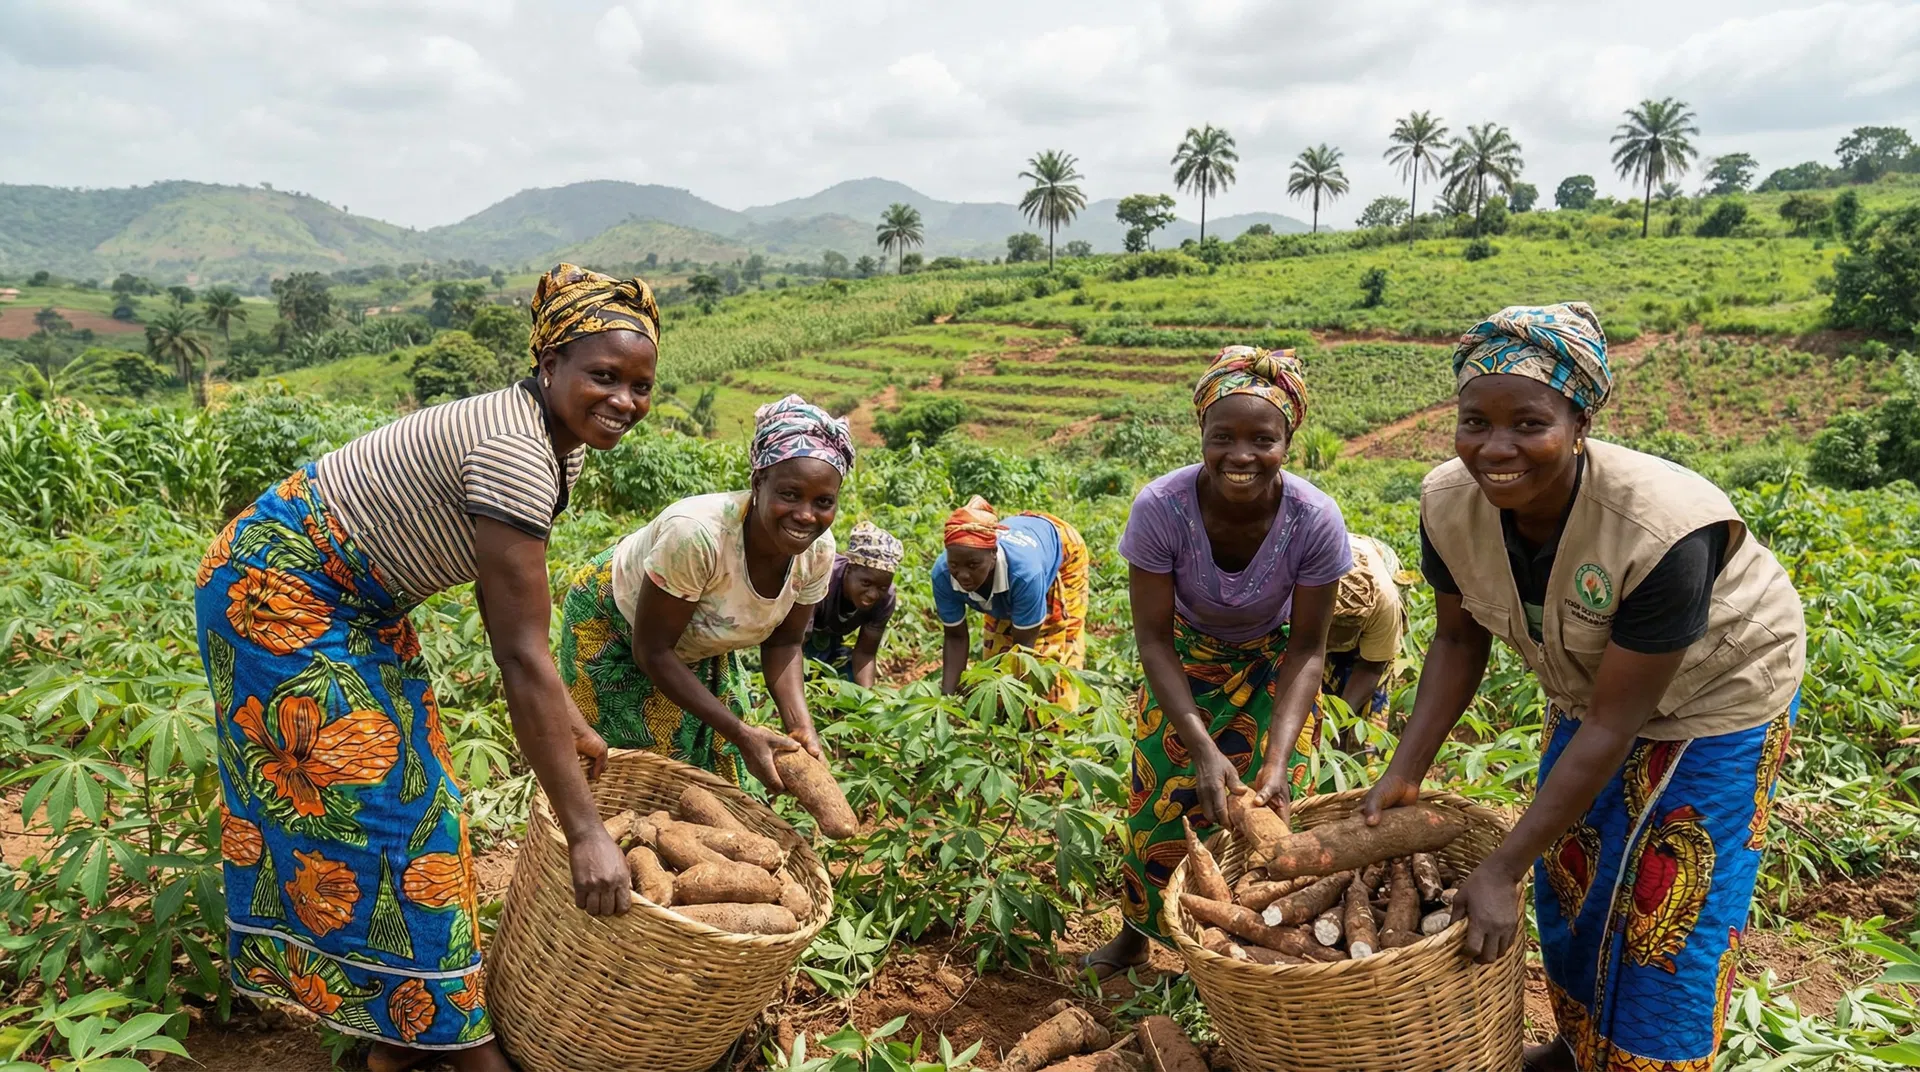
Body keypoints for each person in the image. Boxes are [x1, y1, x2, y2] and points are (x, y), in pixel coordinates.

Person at [196, 264, 659, 1071]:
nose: (624, 400)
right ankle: (461, 1047)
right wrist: (585, 831)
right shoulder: (516, 447)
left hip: (360, 606)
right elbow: (518, 656)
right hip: (279, 590)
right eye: (604, 376)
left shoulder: (560, 444)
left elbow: (510, 618)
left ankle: (400, 1040)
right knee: (398, 818)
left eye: (642, 385)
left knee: (424, 795)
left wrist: (566, 715)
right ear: (550, 365)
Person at [1360, 303, 1805, 1072]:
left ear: (1581, 421)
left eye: (1529, 424)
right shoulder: (1447, 503)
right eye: (1474, 422)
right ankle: (1577, 1050)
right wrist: (1404, 773)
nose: (1496, 449)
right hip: (1589, 690)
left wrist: (1500, 865)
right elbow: (1459, 641)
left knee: (1670, 913)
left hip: (1718, 694)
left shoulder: (1663, 529)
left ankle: (1647, 1062)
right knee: (1573, 879)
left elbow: (1613, 724)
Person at [1083, 345, 1353, 977]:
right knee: (1157, 807)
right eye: (1222, 435)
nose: (1241, 455)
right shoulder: (1162, 507)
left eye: (1263, 438)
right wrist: (1201, 746)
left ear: (1288, 440)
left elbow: (1308, 648)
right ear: (1200, 433)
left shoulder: (1314, 519)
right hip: (1183, 660)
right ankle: (1135, 935)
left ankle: (1253, 951)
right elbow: (1152, 636)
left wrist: (1280, 757)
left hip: (1273, 667)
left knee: (1272, 807)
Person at [557, 395, 854, 790]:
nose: (806, 515)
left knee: (722, 772)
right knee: (637, 775)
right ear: (758, 482)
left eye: (823, 502)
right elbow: (653, 651)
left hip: (698, 635)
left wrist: (800, 727)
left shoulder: (818, 550)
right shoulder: (696, 535)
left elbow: (785, 643)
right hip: (615, 624)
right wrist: (740, 731)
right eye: (790, 494)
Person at [933, 496, 1090, 707]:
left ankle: (1055, 727)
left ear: (993, 554)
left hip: (1063, 550)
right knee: (995, 655)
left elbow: (1024, 651)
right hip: (1021, 540)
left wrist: (1017, 705)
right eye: (955, 565)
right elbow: (955, 638)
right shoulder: (943, 574)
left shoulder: (1026, 575)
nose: (963, 575)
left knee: (1050, 654)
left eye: (973, 565)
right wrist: (946, 701)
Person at [803, 520, 902, 687]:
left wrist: (866, 701)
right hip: (792, 634)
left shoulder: (886, 598)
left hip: (831, 636)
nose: (873, 594)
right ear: (849, 569)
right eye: (866, 583)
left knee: (849, 679)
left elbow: (865, 653)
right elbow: (792, 643)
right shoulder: (822, 579)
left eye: (882, 587)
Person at [1323, 533, 1408, 726]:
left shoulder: (1385, 603)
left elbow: (1372, 668)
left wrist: (1338, 724)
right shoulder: (1303, 584)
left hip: (1374, 647)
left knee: (1369, 723)